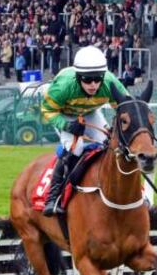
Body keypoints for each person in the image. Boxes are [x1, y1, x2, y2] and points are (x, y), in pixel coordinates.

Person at [40, 46, 128, 217]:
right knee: (76, 148)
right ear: (78, 77)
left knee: (110, 144)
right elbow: (47, 110)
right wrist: (68, 126)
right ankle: (53, 197)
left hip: (91, 112)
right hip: (66, 115)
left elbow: (125, 106)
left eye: (97, 79)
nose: (93, 85)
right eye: (87, 80)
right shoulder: (64, 86)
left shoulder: (110, 82)